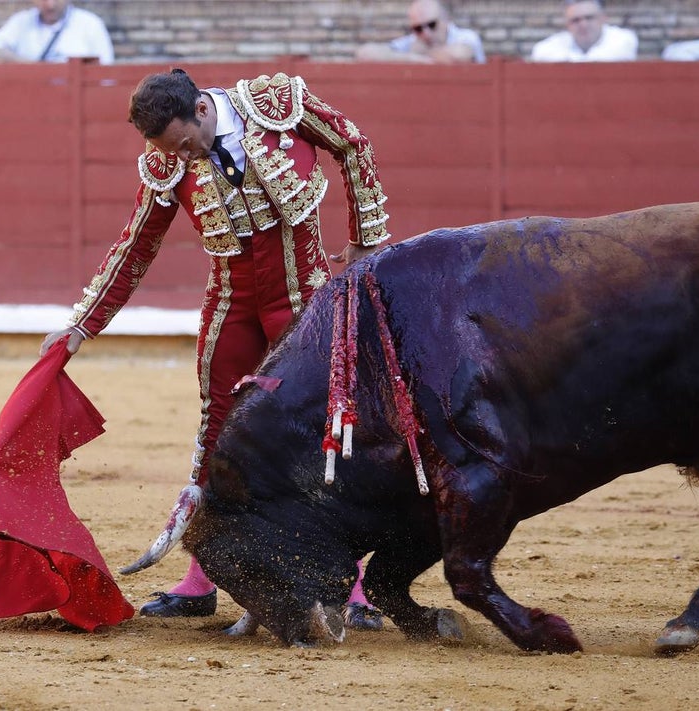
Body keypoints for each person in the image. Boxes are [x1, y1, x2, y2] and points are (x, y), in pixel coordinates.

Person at [40, 69, 391, 629]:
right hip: (232, 302)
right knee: (217, 432)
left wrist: (365, 242)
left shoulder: (278, 104)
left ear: (202, 110)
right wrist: (83, 324)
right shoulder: (167, 160)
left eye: (184, 144)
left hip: (303, 299)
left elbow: (352, 144)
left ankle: (349, 585)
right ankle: (201, 579)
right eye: (169, 151)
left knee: (323, 434)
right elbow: (136, 245)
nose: (182, 158)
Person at [0, 0, 114, 65]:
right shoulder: (22, 22)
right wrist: (26, 65)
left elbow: (107, 70)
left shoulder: (90, 24)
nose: (50, 5)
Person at [354, 0, 486, 64]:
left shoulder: (465, 36)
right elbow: (364, 54)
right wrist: (412, 57)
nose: (426, 33)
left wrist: (417, 53)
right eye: (418, 28)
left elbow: (460, 56)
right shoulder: (412, 42)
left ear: (445, 20)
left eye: (432, 24)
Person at [529, 1, 638, 62]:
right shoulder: (557, 42)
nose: (583, 25)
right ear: (567, 25)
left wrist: (568, 62)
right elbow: (539, 52)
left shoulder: (623, 38)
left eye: (589, 18)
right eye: (575, 20)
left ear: (603, 18)